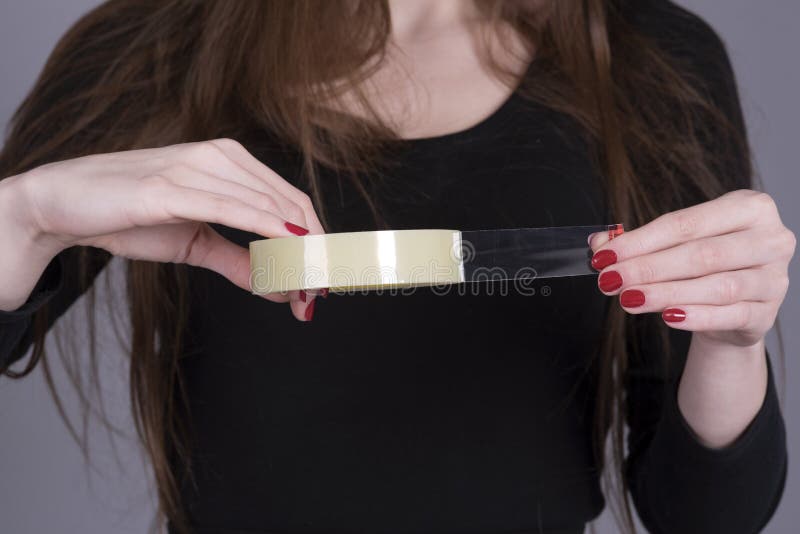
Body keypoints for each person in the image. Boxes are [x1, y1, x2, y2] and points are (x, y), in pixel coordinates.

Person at [0, 1, 792, 533]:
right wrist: (22, 215)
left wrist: (731, 341)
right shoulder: (156, 39)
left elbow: (705, 516)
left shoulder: (654, 58)